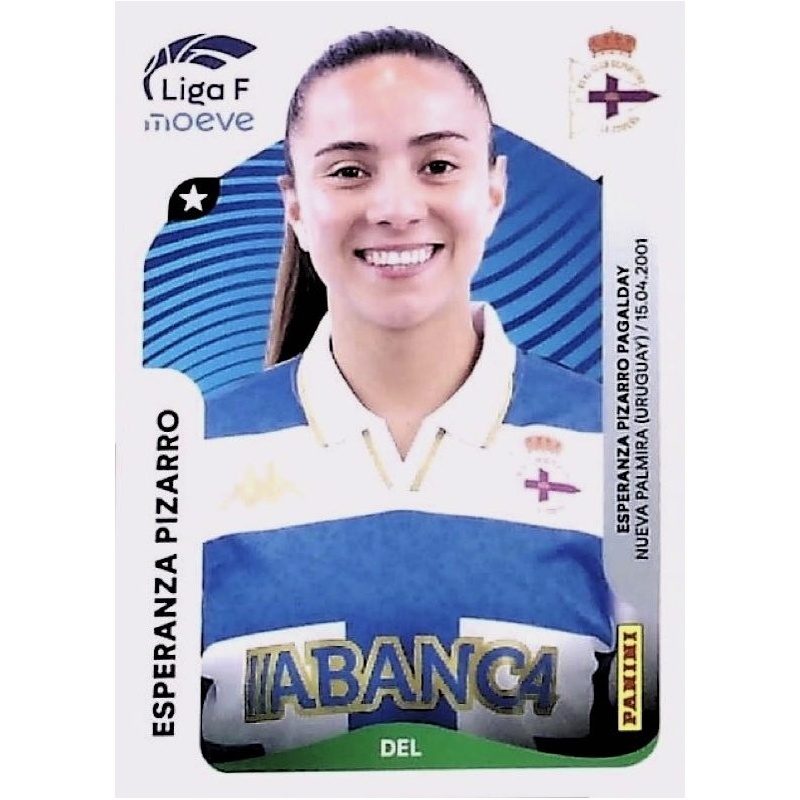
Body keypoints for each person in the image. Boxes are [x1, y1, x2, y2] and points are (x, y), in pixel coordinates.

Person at [200, 27, 614, 765]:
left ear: (494, 191)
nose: (395, 206)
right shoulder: (181, 460)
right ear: (294, 206)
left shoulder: (624, 454)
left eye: (438, 165)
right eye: (349, 171)